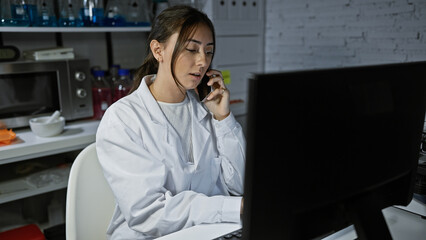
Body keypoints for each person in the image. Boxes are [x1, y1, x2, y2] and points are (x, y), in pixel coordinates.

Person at [96, 5, 246, 239]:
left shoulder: (206, 109)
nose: (202, 62)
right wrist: (232, 208)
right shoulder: (123, 119)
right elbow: (150, 214)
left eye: (208, 51)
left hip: (211, 232)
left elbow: (240, 185)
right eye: (191, 49)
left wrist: (223, 119)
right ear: (158, 50)